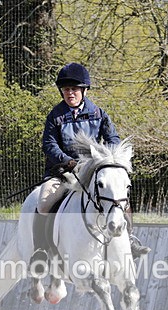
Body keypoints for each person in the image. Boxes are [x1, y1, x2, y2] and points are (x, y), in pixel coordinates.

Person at [31, 62, 150, 272]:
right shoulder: (55, 116)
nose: (70, 93)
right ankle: (41, 250)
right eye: (66, 89)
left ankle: (130, 239)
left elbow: (113, 140)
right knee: (43, 204)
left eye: (74, 89)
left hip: (91, 172)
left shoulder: (99, 114)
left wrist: (109, 159)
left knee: (119, 198)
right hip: (63, 172)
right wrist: (67, 160)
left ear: (84, 90)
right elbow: (49, 145)